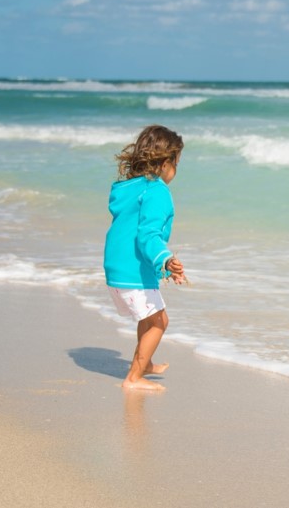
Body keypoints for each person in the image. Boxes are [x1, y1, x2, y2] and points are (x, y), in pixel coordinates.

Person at [103, 125, 187, 391]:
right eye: (176, 164)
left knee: (148, 318)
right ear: (164, 164)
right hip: (133, 271)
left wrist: (162, 269)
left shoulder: (127, 188)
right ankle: (134, 377)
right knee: (160, 321)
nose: (176, 171)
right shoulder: (157, 191)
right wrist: (165, 259)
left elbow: (129, 233)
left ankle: (145, 362)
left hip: (117, 269)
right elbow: (148, 235)